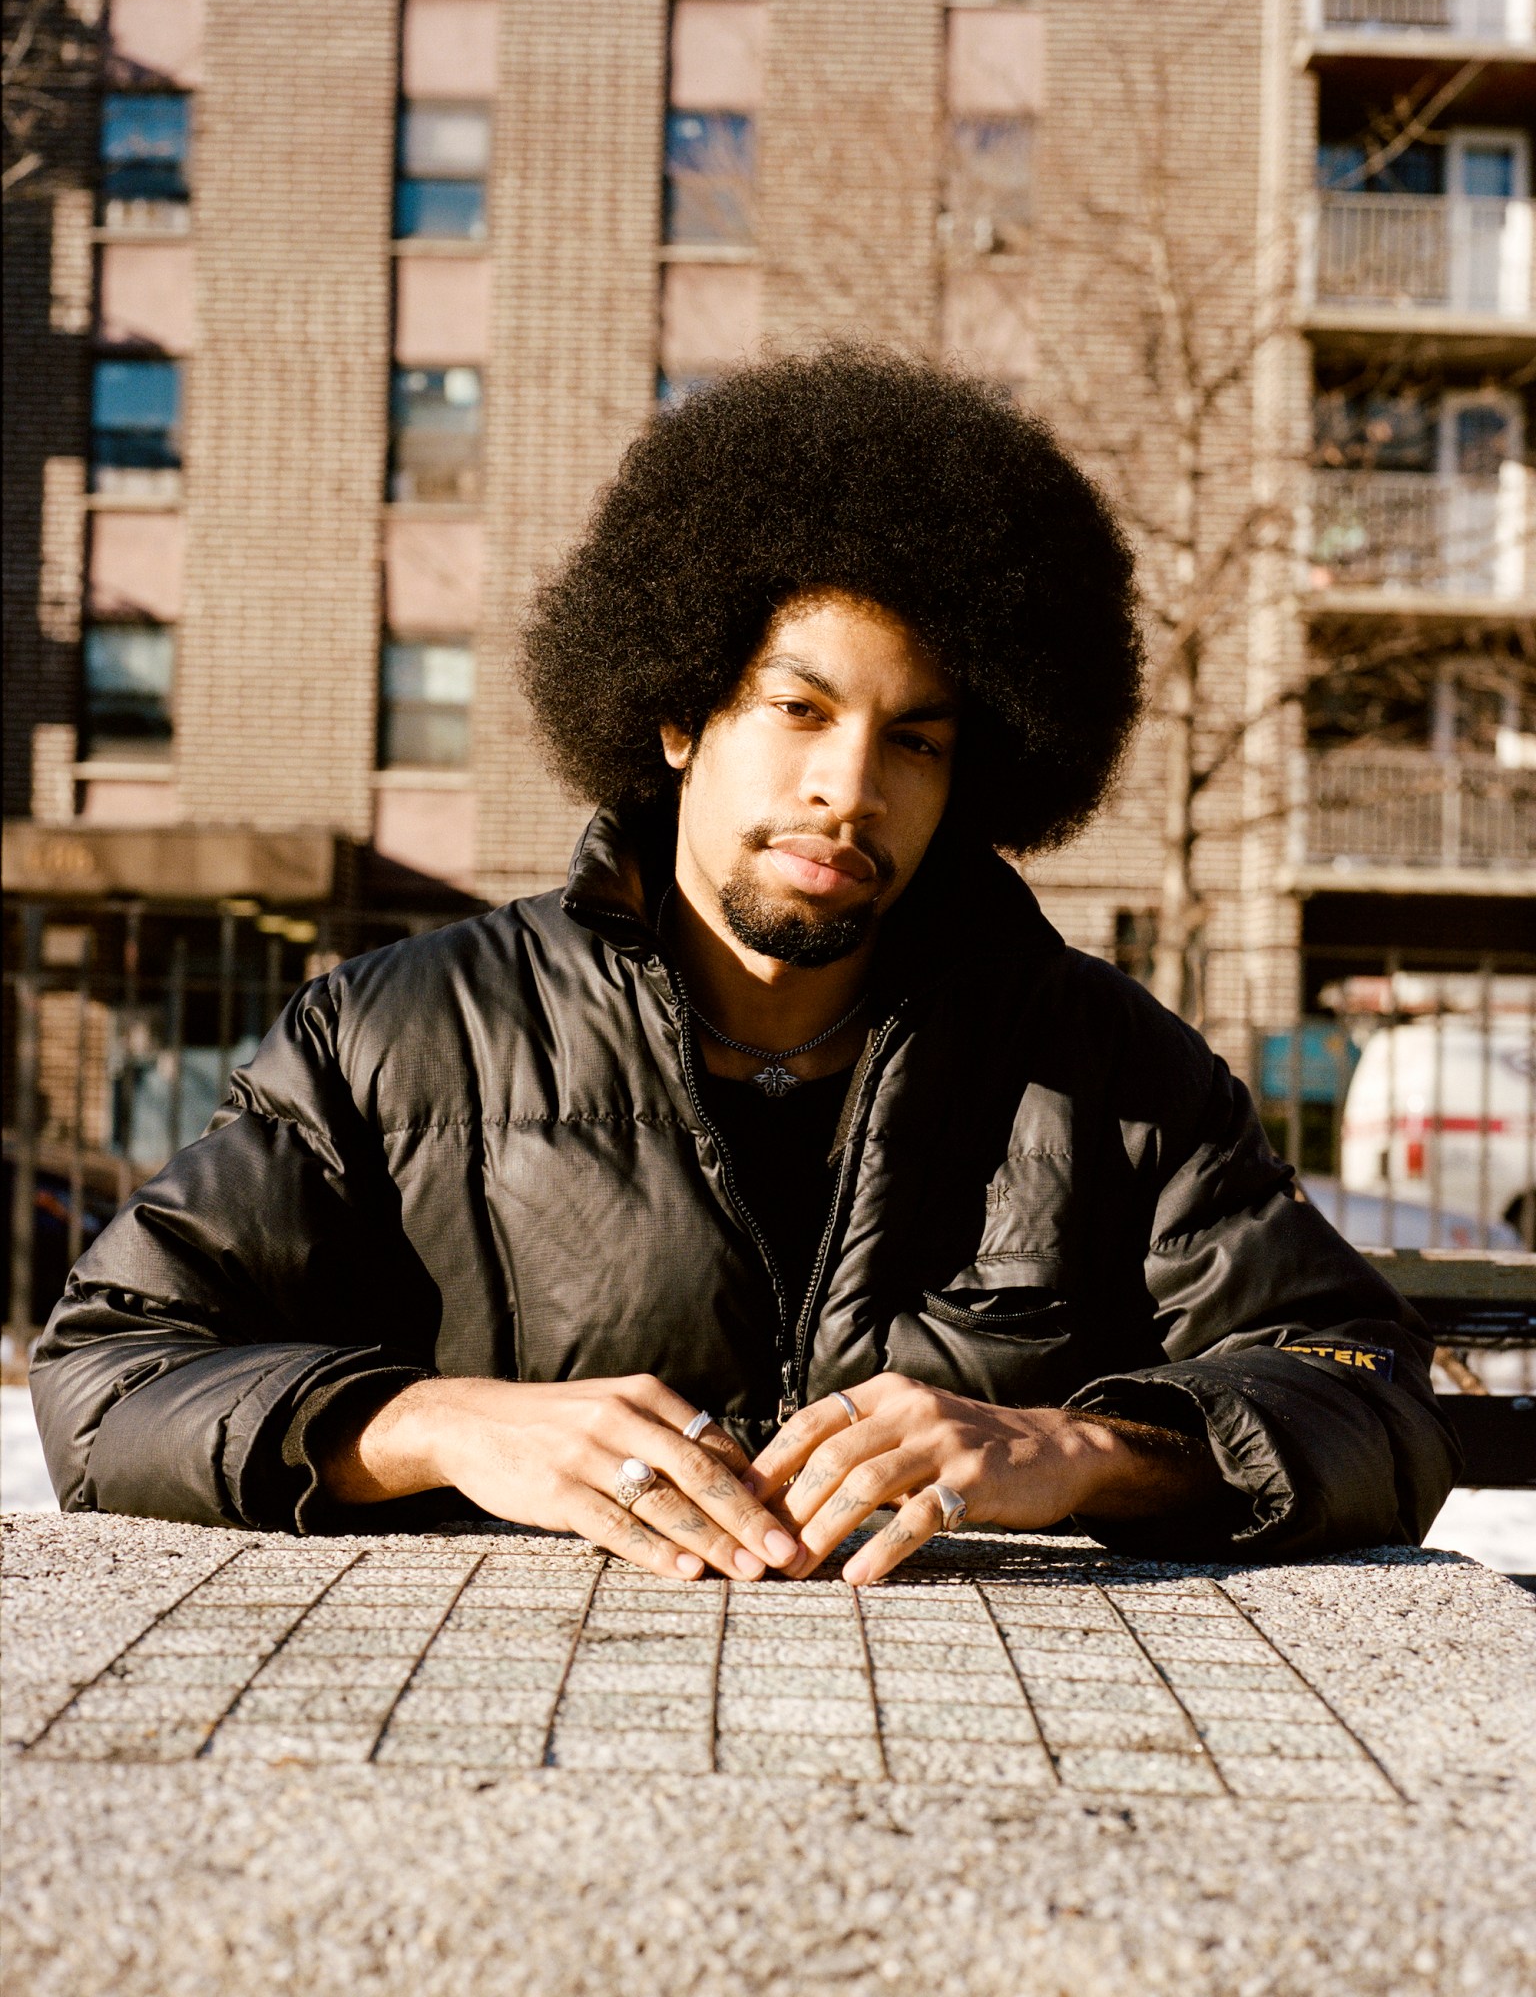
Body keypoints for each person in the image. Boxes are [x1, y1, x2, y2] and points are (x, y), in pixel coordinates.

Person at [31, 350, 1457, 1586]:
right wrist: (437, 1424)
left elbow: (1372, 1395)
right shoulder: (395, 1038)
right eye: (800, 708)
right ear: (676, 713)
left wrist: (1085, 1452)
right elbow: (105, 1375)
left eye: (917, 738)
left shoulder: (1107, 1073)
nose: (851, 786)